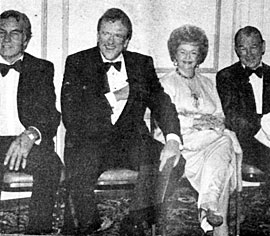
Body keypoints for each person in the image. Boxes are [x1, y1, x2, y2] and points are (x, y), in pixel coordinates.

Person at [60, 8, 181, 235]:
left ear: (126, 41)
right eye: (105, 33)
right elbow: (71, 113)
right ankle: (89, 223)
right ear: (97, 34)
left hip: (131, 142)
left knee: (175, 161)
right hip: (90, 141)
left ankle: (136, 221)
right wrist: (114, 96)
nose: (110, 41)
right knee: (80, 172)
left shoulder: (142, 64)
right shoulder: (77, 62)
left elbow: (162, 103)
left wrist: (173, 139)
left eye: (117, 36)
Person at [154, 24, 242, 236]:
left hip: (210, 143)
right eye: (182, 52)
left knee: (223, 141)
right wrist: (196, 123)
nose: (187, 57)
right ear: (174, 54)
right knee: (224, 145)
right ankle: (211, 211)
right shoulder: (165, 83)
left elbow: (220, 115)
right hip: (183, 144)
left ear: (200, 56)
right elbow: (164, 120)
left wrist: (215, 124)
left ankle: (207, 206)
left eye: (193, 52)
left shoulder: (208, 83)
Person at [216, 26, 270, 230]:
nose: (249, 53)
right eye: (243, 48)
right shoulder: (226, 76)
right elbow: (233, 115)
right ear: (236, 50)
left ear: (263, 47)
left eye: (254, 47)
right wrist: (263, 126)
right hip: (245, 139)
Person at [0, 10, 62, 234]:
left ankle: (38, 231)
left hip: (25, 141)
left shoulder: (41, 68)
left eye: (14, 34)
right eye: (1, 32)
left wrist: (30, 135)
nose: (6, 39)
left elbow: (51, 116)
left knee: (50, 165)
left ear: (25, 40)